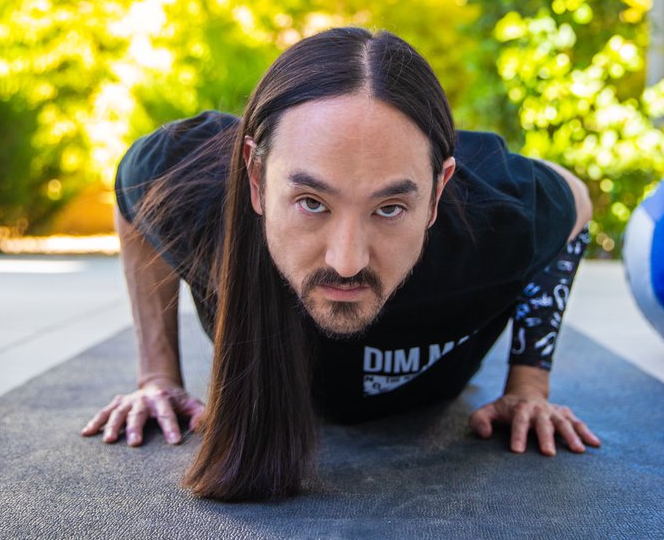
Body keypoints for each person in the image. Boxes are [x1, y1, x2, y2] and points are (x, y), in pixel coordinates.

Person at [81, 27, 599, 501]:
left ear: (438, 193)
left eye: (389, 208)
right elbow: (133, 189)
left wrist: (529, 385)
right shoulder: (195, 183)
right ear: (257, 180)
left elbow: (575, 200)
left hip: (432, 397)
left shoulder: (496, 214)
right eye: (311, 202)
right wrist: (157, 375)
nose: (346, 261)